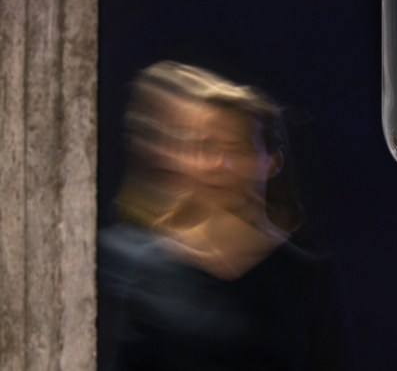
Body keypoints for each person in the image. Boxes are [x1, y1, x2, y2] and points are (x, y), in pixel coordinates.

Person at [99, 61, 351, 370]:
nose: (220, 164)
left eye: (237, 149)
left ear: (272, 161)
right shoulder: (141, 267)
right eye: (205, 148)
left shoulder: (307, 277)